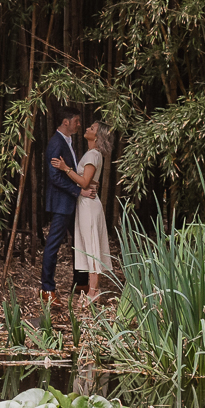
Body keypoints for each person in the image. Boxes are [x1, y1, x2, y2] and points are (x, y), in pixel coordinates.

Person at [40, 106, 84, 300]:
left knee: (80, 242)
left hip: (70, 200)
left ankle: (80, 281)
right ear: (66, 122)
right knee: (53, 244)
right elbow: (54, 178)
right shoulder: (56, 143)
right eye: (76, 121)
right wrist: (77, 190)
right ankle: (47, 289)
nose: (79, 124)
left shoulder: (67, 140)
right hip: (62, 202)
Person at [73, 119, 114, 300]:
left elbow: (84, 182)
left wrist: (66, 168)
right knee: (88, 244)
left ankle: (93, 291)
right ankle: (93, 289)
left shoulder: (92, 155)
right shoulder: (93, 154)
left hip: (88, 204)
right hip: (87, 202)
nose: (87, 128)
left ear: (97, 137)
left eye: (92, 128)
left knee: (91, 245)